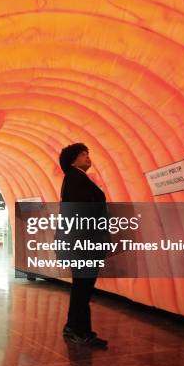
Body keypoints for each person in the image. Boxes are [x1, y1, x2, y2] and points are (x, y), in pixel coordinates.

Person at [57, 143, 108, 349]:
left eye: (88, 153)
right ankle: (81, 332)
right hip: (84, 244)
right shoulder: (75, 178)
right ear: (73, 160)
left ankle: (73, 327)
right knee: (83, 289)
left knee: (81, 288)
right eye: (83, 154)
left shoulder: (75, 178)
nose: (88, 157)